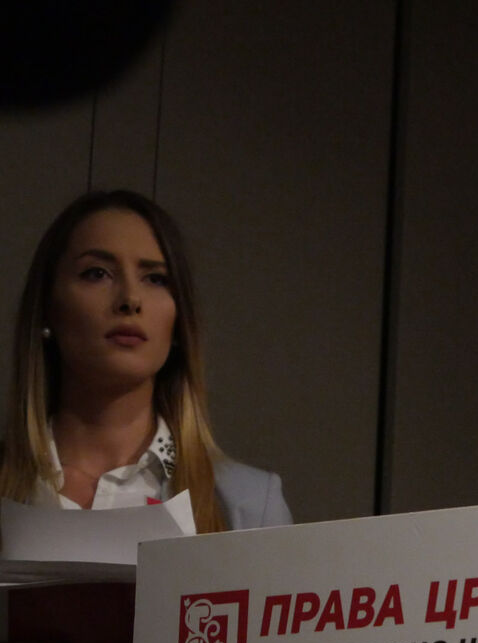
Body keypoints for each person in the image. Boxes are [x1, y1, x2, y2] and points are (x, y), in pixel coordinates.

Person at [0, 188, 291, 531]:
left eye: (156, 279)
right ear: (48, 308)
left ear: (179, 319)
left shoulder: (249, 506)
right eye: (97, 273)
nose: (130, 299)